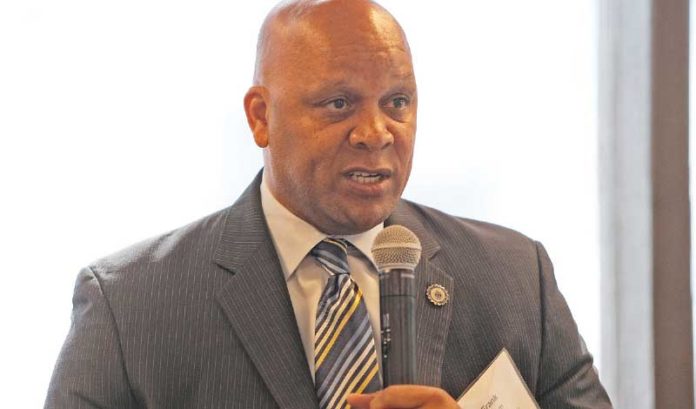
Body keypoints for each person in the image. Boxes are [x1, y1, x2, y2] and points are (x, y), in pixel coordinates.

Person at [44, 0, 612, 408]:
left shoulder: (516, 277)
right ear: (261, 117)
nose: (376, 132)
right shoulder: (129, 305)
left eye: (397, 102)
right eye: (339, 103)